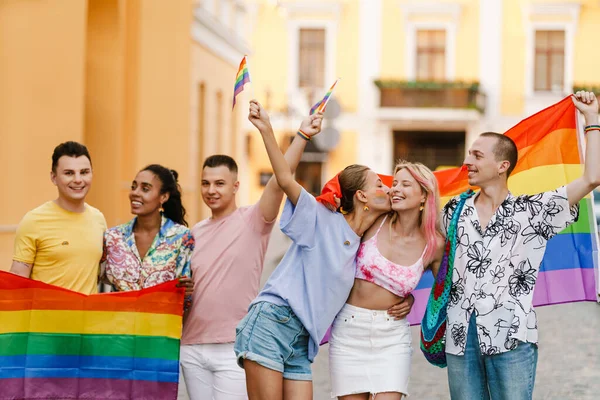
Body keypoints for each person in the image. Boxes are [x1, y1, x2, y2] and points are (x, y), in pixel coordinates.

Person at [442, 90, 600, 400]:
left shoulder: (533, 210)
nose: (466, 162)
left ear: (502, 166)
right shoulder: (453, 210)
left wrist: (591, 120)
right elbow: (430, 257)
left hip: (512, 335)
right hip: (460, 335)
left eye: (476, 155)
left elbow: (592, 178)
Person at [234, 102, 394, 400]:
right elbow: (284, 178)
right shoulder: (321, 219)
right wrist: (284, 132)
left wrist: (406, 300)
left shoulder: (366, 244)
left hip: (301, 342)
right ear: (362, 197)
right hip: (272, 323)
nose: (388, 188)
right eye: (380, 185)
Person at [179, 100, 323, 400]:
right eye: (205, 183)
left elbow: (281, 180)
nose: (211, 190)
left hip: (234, 345)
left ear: (235, 186)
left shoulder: (254, 220)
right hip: (191, 346)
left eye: (220, 183)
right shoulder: (192, 234)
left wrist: (299, 135)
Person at [329, 161, 445, 400]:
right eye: (394, 184)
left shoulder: (435, 244)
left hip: (392, 336)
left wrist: (411, 298)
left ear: (424, 195)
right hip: (350, 331)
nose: (395, 189)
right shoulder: (374, 219)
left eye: (406, 184)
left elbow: (444, 291)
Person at [10, 141, 106, 294]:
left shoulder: (98, 219)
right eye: (69, 173)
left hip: (87, 317)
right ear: (54, 177)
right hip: (45, 316)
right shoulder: (34, 220)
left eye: (84, 172)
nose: (78, 179)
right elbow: (18, 278)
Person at [101, 164, 194, 303]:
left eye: (145, 189)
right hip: (119, 322)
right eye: (133, 187)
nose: (135, 193)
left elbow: (185, 297)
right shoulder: (113, 237)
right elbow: (97, 284)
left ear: (163, 197)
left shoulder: (182, 237)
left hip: (162, 322)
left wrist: (187, 291)